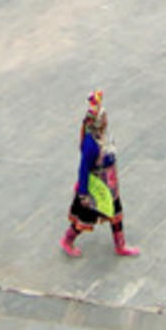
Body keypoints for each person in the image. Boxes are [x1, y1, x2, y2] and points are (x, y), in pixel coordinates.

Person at [61, 91, 139, 258]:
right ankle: (67, 240)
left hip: (110, 185)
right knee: (84, 219)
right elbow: (83, 169)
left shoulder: (103, 136)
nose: (106, 120)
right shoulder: (91, 145)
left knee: (116, 213)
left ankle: (121, 245)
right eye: (103, 118)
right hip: (96, 188)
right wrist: (83, 194)